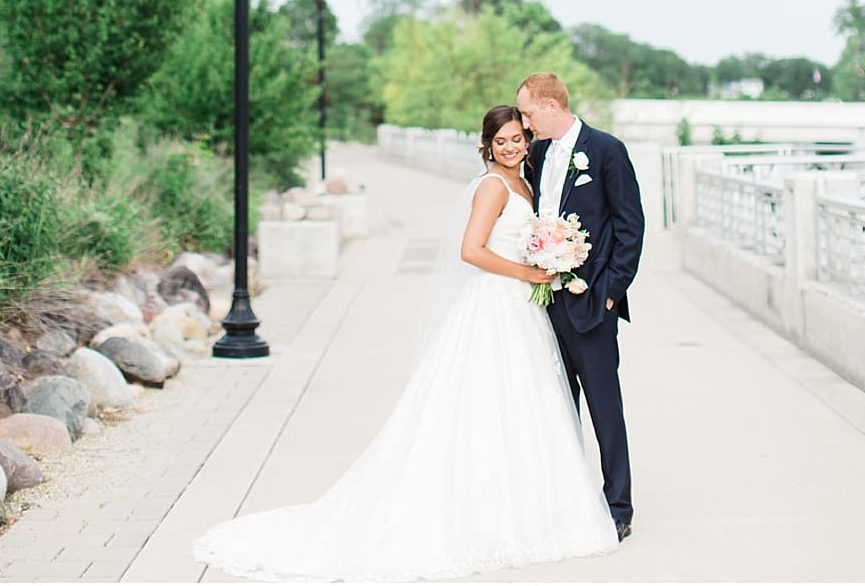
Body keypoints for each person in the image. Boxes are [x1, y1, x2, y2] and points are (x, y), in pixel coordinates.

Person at [192, 104, 620, 581]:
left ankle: (536, 505)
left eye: (518, 138)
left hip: (524, 308)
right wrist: (527, 270)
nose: (512, 147)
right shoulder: (492, 186)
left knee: (526, 401)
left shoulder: (526, 181)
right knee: (486, 402)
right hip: (496, 304)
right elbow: (471, 250)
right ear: (488, 146)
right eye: (501, 142)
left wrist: (552, 251)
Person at [518, 69, 643, 540]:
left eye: (529, 113)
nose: (526, 123)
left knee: (603, 407)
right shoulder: (538, 152)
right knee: (555, 405)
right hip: (541, 303)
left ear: (552, 106)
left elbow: (631, 227)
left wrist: (610, 291)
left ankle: (618, 506)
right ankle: (567, 498)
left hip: (592, 303)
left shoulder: (606, 151)